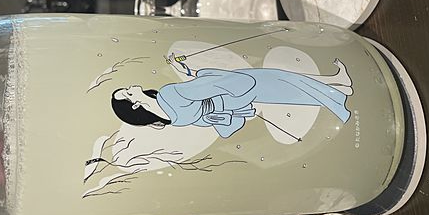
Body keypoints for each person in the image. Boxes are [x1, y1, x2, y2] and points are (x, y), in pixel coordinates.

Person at [111, 55, 353, 138]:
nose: (131, 87)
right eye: (127, 92)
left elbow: (200, 101)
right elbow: (207, 86)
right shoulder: (167, 95)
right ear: (135, 105)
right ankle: (337, 93)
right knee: (283, 80)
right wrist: (201, 73)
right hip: (236, 89)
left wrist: (189, 72)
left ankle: (337, 84)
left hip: (233, 101)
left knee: (286, 88)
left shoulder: (172, 119)